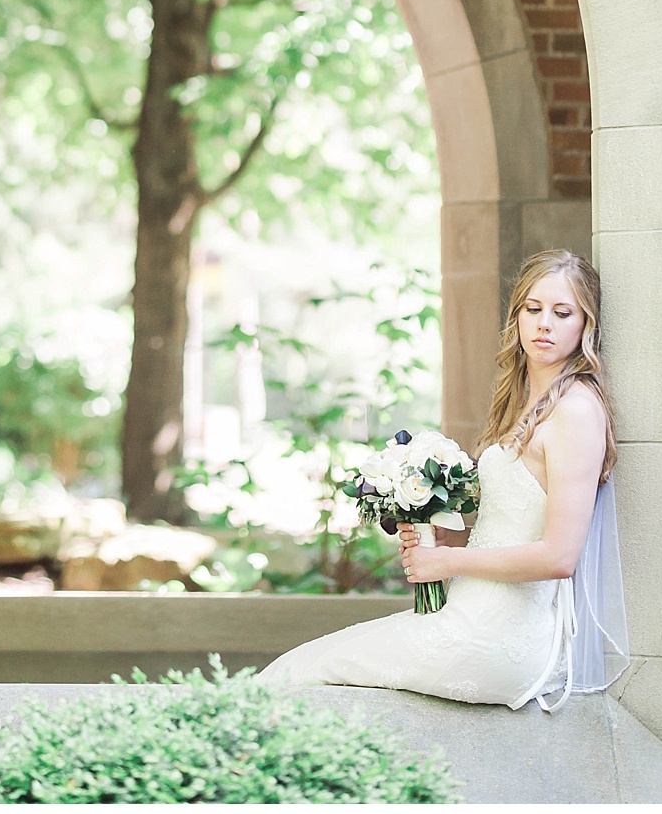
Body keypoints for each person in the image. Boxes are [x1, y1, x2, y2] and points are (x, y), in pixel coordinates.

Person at [259, 250, 630, 710]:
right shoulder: (525, 402)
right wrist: (434, 531)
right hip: (467, 610)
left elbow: (558, 556)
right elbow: (509, 527)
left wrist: (447, 565)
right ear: (516, 316)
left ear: (585, 325)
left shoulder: (575, 410)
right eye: (533, 309)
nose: (545, 324)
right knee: (302, 667)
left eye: (563, 312)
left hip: (502, 637)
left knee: (305, 669)